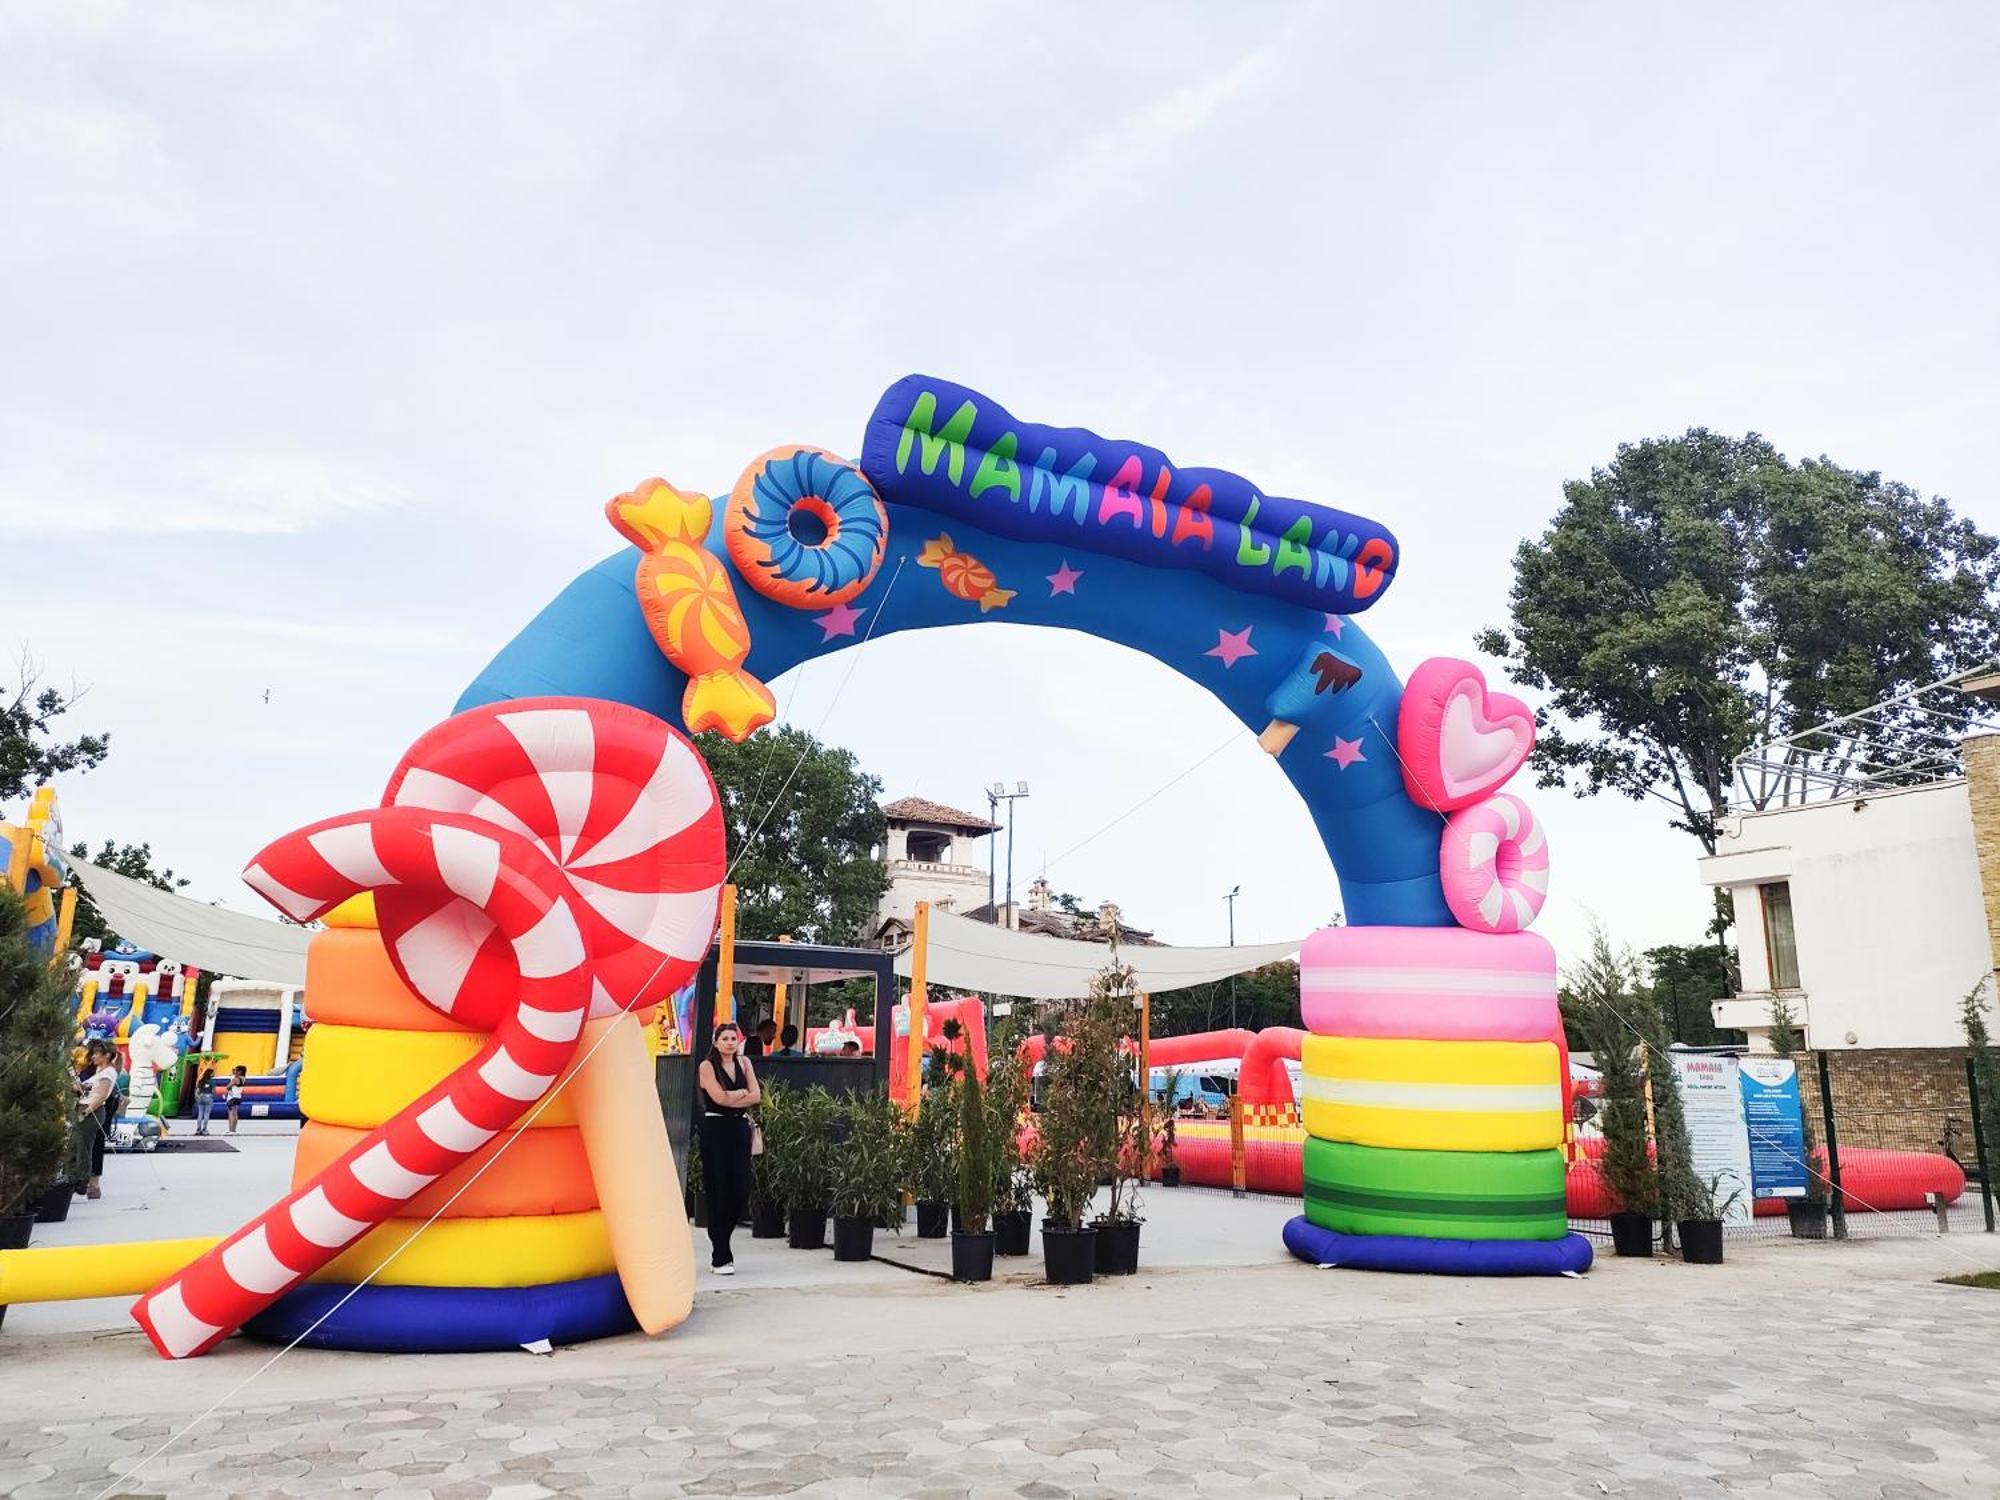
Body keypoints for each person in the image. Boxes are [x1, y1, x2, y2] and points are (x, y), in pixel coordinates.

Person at [696, 1021, 760, 1275]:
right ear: (716, 1041)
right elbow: (717, 1097)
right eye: (725, 1039)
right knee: (718, 1189)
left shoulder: (745, 1064)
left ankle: (725, 1238)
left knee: (740, 1188)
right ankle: (721, 1253)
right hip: (715, 1130)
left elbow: (756, 1095)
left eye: (734, 1038)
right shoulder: (707, 1066)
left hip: (739, 1128)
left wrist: (734, 1096)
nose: (730, 1043)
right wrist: (739, 1095)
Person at [74, 1040, 120, 1200]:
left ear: (106, 1055)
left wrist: (86, 1111)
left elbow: (101, 1095)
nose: (92, 1056)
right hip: (92, 1108)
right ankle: (87, 1182)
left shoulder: (107, 1072)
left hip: (94, 1111)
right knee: (86, 1147)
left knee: (88, 1147)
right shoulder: (98, 1069)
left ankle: (85, 1183)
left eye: (95, 1053)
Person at [193, 1060, 217, 1135]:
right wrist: (213, 1097)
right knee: (206, 1114)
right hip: (208, 1097)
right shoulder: (212, 1081)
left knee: (200, 1113)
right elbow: (213, 1091)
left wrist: (197, 1097)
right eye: (213, 1073)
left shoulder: (201, 1080)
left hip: (200, 1097)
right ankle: (204, 1129)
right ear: (210, 1074)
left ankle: (198, 1129)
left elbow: (197, 1089)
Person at [226, 1065, 247, 1134]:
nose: (234, 1071)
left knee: (231, 1113)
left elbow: (228, 1086)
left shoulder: (236, 1079)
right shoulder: (243, 1078)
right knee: (235, 1113)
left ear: (240, 1071)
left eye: (235, 1070)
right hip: (238, 1096)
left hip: (232, 1097)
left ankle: (231, 1130)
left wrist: (233, 1078)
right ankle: (233, 1130)